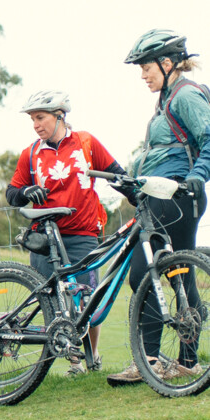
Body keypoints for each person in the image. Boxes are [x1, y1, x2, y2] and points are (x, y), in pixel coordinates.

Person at [108, 29, 210, 384]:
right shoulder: (167, 98)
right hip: (166, 194)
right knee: (182, 273)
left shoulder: (185, 96)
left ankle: (148, 359)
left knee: (142, 273)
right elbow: (162, 152)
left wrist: (197, 175)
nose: (142, 75)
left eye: (146, 67)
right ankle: (188, 360)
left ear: (166, 63)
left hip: (174, 195)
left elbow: (209, 137)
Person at [6, 90, 129, 376]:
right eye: (32, 120)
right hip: (46, 237)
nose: (36, 125)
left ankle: (92, 356)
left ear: (60, 116)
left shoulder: (86, 142)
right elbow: (12, 193)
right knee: (50, 300)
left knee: (87, 300)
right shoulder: (31, 153)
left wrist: (137, 196)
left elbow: (115, 173)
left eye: (41, 117)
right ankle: (72, 363)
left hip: (83, 234)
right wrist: (25, 191)